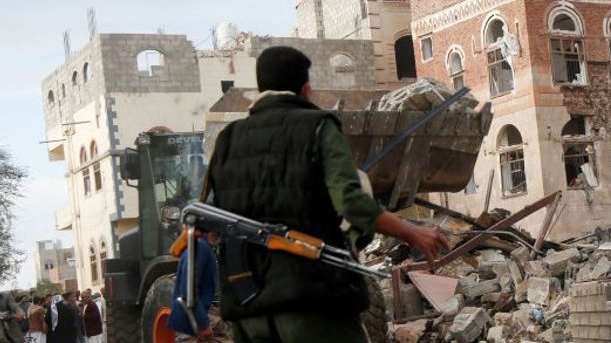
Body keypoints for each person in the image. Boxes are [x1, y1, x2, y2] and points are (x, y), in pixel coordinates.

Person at [205, 46, 450, 343]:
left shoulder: (227, 139)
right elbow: (351, 202)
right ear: (306, 90)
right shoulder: (318, 127)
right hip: (310, 300)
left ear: (259, 89)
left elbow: (213, 225)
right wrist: (411, 231)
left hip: (247, 308)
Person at [167, 229, 219, 342]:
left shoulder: (204, 247)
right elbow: (188, 291)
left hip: (194, 319)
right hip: (194, 321)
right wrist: (203, 324)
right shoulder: (200, 247)